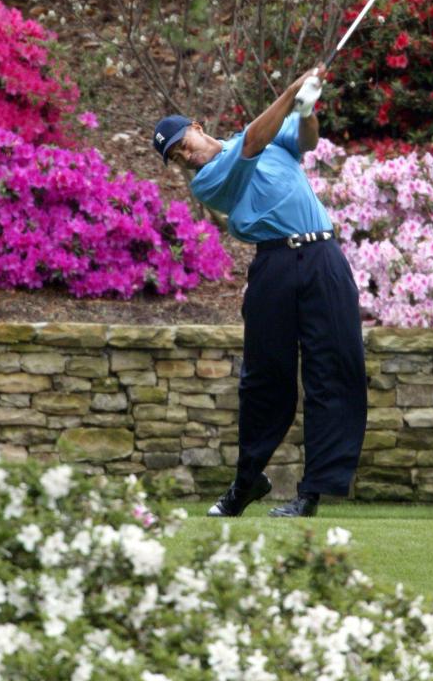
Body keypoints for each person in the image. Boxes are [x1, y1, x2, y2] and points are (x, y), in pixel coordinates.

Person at [152, 65, 367, 517]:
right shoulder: (209, 181)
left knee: (335, 369)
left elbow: (305, 140)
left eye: (182, 145)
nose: (184, 157)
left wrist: (306, 107)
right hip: (274, 266)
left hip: (323, 256)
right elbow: (252, 142)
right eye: (175, 158)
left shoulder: (270, 137)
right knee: (264, 380)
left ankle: (311, 494)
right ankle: (247, 482)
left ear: (197, 127)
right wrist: (292, 92)